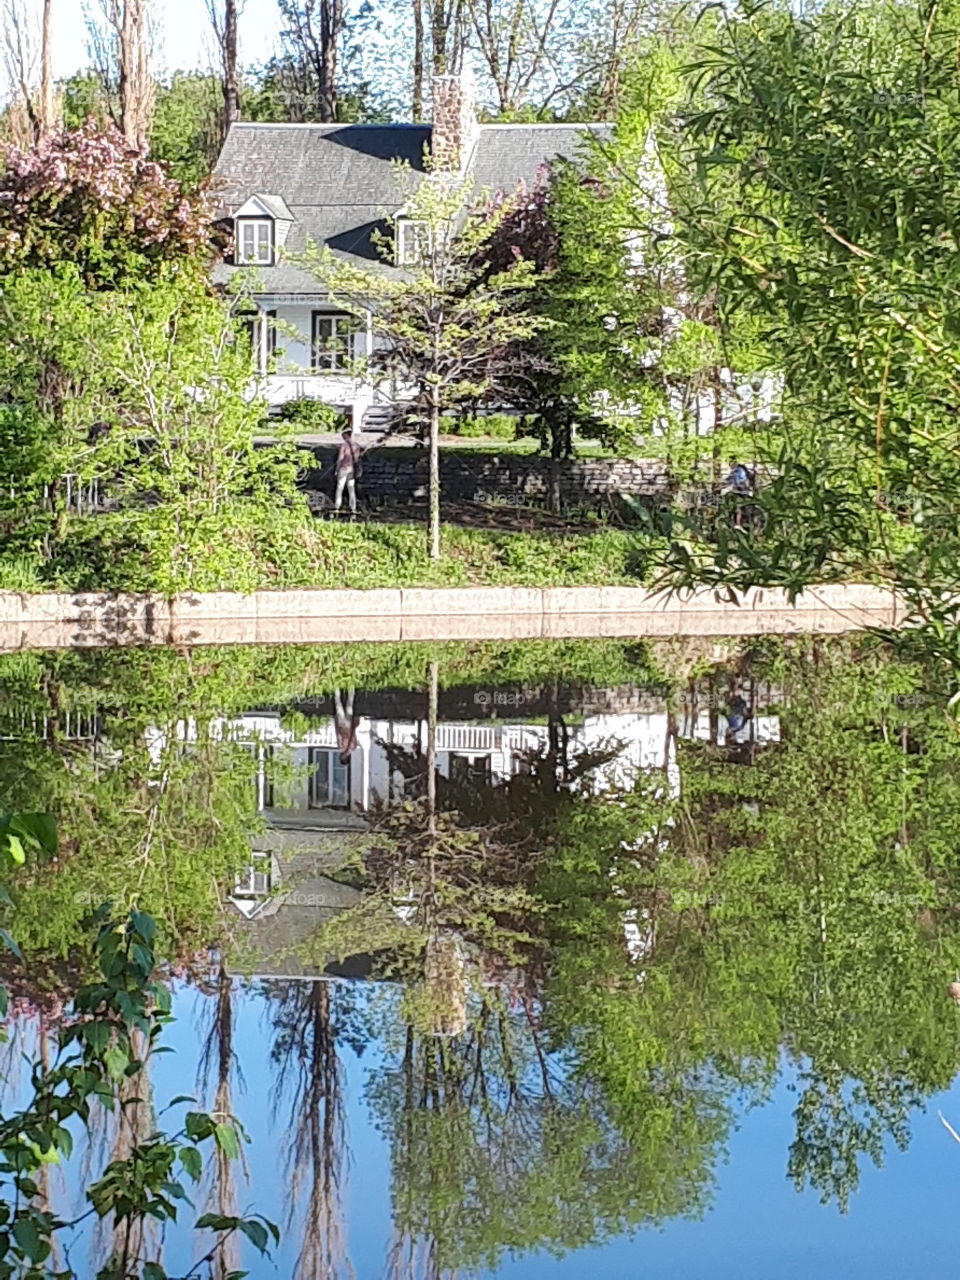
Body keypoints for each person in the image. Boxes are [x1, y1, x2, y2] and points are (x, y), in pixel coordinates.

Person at [334, 426, 362, 516]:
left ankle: (337, 506)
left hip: (344, 468)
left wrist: (336, 470)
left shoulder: (344, 445)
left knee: (340, 488)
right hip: (352, 469)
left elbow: (340, 459)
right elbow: (357, 459)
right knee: (351, 488)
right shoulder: (356, 445)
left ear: (345, 435)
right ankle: (353, 508)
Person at [334, 687, 358, 766]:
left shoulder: (353, 747)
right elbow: (338, 735)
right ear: (343, 758)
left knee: (349, 704)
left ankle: (352, 686)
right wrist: (335, 722)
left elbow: (354, 734)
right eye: (341, 757)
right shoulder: (341, 747)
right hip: (342, 724)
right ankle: (336, 687)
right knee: (338, 704)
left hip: (350, 724)